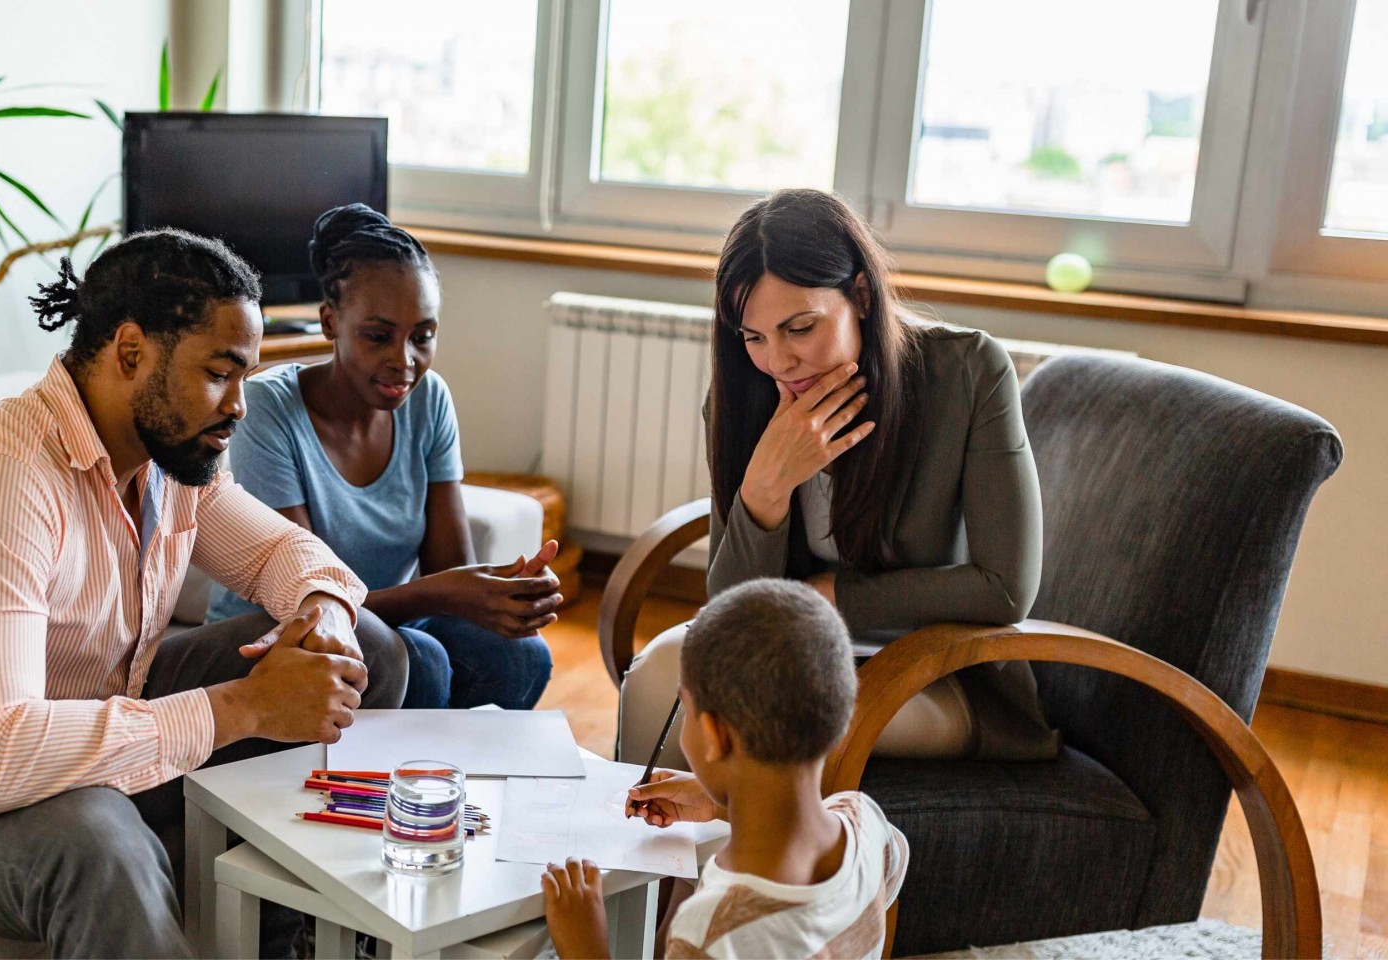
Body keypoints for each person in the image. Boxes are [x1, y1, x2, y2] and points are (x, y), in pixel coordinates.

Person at [0, 229, 408, 957]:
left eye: (246, 377)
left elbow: (290, 555)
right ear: (131, 353)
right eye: (221, 372)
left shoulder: (169, 462)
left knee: (367, 647)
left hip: (86, 712)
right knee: (98, 841)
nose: (240, 406)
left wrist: (326, 616)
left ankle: (282, 935)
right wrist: (244, 706)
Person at [617, 188, 1054, 767]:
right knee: (654, 678)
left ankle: (736, 857)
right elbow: (730, 605)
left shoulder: (966, 372)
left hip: (933, 673)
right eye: (753, 337)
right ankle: (652, 858)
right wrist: (766, 490)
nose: (777, 361)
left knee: (754, 711)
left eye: (800, 328)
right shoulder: (744, 397)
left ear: (863, 296)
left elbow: (1005, 588)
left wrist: (831, 596)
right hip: (794, 651)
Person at [205, 203, 559, 710]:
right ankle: (386, 787)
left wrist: (503, 590)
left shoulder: (429, 399)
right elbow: (303, 590)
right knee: (422, 658)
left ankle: (445, 781)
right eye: (378, 336)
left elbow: (447, 569)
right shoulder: (268, 409)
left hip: (383, 616)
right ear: (330, 322)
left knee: (521, 655)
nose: (404, 361)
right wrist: (452, 591)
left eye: (423, 336)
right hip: (279, 626)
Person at [543, 579, 908, 959]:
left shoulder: (712, 934)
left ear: (716, 735)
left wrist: (586, 948)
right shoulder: (867, 823)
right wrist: (721, 804)